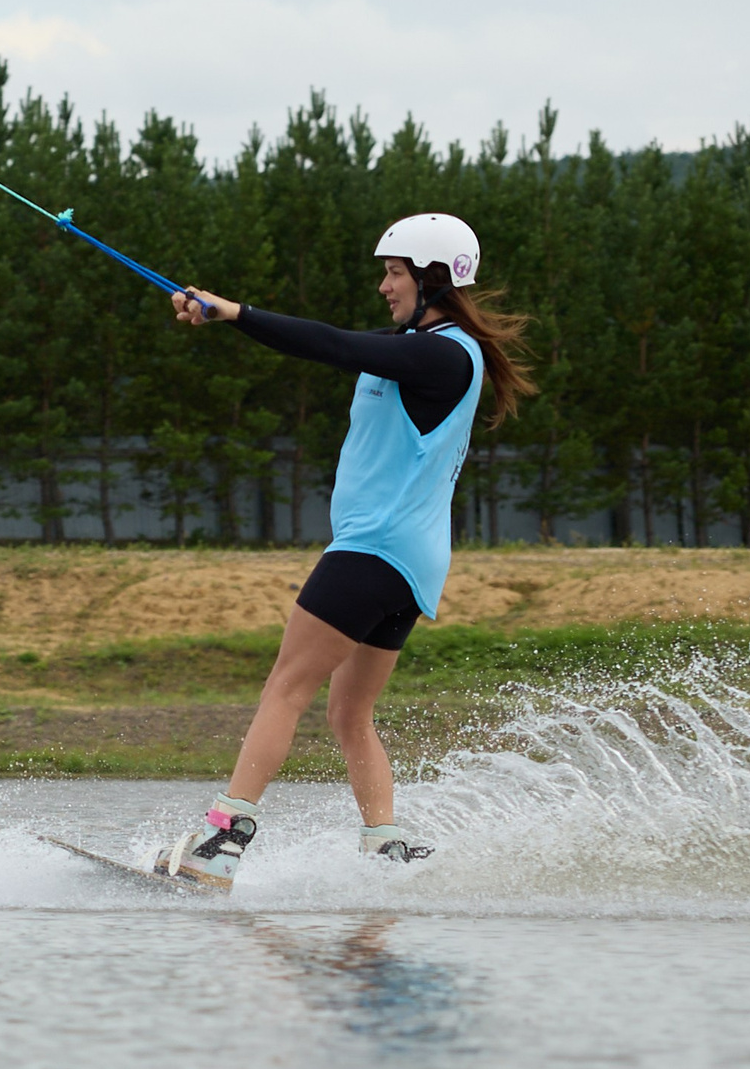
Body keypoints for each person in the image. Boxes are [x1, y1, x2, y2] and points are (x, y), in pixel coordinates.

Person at [145, 213, 535, 889]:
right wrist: (215, 314)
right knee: (348, 710)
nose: (385, 285)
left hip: (373, 550)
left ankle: (223, 838)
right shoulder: (427, 346)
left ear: (433, 277)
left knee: (286, 686)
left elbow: (327, 343)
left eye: (394, 271)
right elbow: (327, 340)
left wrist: (233, 311)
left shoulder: (443, 354)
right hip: (407, 562)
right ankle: (385, 848)